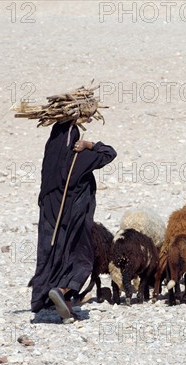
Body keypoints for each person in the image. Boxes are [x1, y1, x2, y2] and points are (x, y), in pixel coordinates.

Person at [28, 119, 117, 323]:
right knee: (81, 257)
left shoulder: (49, 160)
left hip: (50, 219)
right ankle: (62, 289)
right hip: (74, 219)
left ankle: (63, 308)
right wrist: (90, 145)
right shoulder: (80, 158)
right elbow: (110, 153)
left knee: (53, 256)